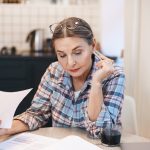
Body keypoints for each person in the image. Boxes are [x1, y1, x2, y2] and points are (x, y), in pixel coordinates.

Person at [0, 17, 125, 138]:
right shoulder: (53, 71)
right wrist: (5, 128)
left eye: (77, 53)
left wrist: (96, 83)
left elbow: (100, 132)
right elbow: (36, 115)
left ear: (93, 45)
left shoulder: (114, 75)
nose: (70, 63)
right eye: (62, 55)